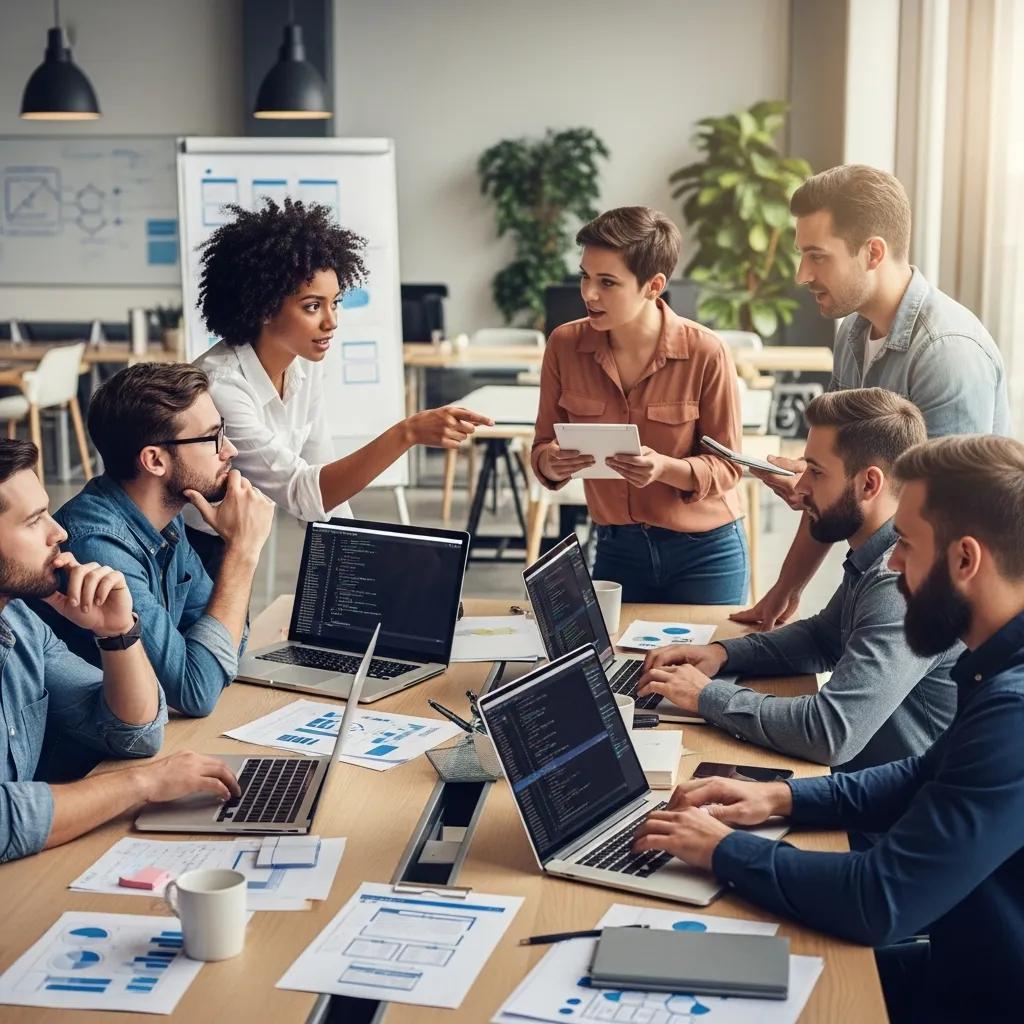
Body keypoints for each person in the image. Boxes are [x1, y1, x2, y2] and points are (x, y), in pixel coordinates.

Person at [632, 434, 1024, 1024]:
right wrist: (779, 796)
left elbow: (877, 900)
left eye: (907, 545)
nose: (892, 563)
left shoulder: (1014, 712)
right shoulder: (998, 666)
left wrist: (723, 851)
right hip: (962, 962)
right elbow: (925, 774)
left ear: (965, 560)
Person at [738, 165, 1010, 632]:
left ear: (873, 252)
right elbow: (842, 468)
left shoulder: (948, 353)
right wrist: (786, 587)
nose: (803, 275)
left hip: (941, 614)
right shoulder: (853, 333)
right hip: (888, 581)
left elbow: (942, 516)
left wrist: (830, 488)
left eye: (817, 256)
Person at [637, 388, 957, 771]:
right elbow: (825, 637)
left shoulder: (900, 582)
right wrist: (723, 654)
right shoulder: (876, 553)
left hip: (897, 815)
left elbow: (830, 732)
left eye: (816, 472)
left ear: (869, 484)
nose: (801, 487)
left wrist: (707, 696)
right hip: (860, 788)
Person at [184, 197, 492, 577]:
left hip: (234, 540)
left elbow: (321, 481)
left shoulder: (303, 366)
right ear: (264, 307)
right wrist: (407, 433)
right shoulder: (222, 387)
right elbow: (302, 492)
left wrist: (369, 570)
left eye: (336, 303)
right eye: (313, 306)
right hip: (188, 548)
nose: (331, 322)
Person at [0, 439, 241, 864]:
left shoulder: (20, 622)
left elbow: (137, 734)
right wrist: (142, 785)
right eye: (35, 520)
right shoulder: (100, 537)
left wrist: (118, 633)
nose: (59, 532)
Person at [531, 206, 748, 603]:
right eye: (585, 276)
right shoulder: (564, 345)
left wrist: (665, 469)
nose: (589, 294)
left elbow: (729, 467)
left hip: (705, 552)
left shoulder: (705, 352)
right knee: (614, 663)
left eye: (608, 282)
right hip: (616, 549)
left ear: (654, 285)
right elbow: (543, 445)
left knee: (697, 666)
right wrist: (551, 462)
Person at [33, 364, 275, 718]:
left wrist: (210, 646)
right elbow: (196, 690)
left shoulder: (164, 520)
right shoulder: (98, 547)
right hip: (95, 761)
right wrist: (242, 551)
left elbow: (225, 648)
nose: (230, 450)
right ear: (155, 460)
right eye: (213, 439)